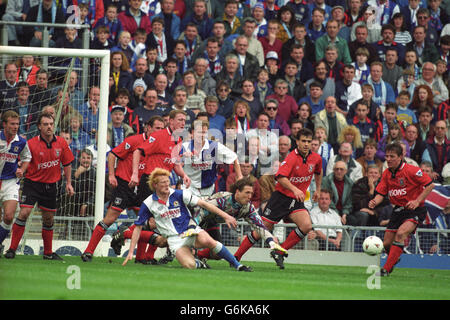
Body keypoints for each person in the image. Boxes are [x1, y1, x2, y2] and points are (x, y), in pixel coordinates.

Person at [122, 168, 253, 271]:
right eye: (163, 183)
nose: (167, 185)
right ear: (155, 185)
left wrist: (226, 216)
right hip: (173, 239)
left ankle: (238, 265)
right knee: (189, 265)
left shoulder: (179, 194)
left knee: (208, 240)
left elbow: (204, 204)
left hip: (191, 230)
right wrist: (131, 251)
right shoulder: (149, 203)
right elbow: (138, 227)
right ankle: (199, 264)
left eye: (168, 181)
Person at [233, 128, 323, 269]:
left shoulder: (316, 158)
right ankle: (236, 257)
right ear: (297, 142)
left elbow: (318, 171)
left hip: (295, 200)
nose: (306, 144)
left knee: (306, 226)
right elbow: (280, 177)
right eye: (303, 141)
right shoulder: (292, 158)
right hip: (280, 199)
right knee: (261, 231)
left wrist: (317, 189)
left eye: (309, 141)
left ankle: (279, 251)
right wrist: (295, 189)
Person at [81, 116, 165, 262]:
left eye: (162, 129)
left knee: (150, 221)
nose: (159, 131)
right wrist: (112, 175)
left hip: (143, 185)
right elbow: (113, 154)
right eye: (157, 128)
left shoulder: (158, 145)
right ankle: (88, 251)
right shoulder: (134, 140)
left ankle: (138, 254)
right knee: (110, 219)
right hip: (125, 185)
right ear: (148, 128)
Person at [4, 113, 74, 260]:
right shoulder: (30, 144)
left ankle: (48, 253)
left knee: (48, 219)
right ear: (39, 127)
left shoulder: (61, 143)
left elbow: (67, 164)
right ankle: (11, 249)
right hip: (32, 183)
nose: (49, 127)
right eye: (46, 124)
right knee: (24, 213)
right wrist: (20, 169)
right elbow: (20, 159)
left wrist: (68, 183)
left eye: (51, 124)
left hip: (51, 186)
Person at [369, 143, 434, 276]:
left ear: (400, 157)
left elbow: (429, 184)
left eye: (392, 156)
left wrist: (417, 201)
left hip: (415, 210)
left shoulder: (411, 170)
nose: (388, 159)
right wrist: (375, 200)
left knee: (400, 234)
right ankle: (394, 258)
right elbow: (381, 193)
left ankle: (385, 269)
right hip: (398, 210)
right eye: (387, 156)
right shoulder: (386, 173)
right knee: (386, 244)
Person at [194, 178, 286, 261]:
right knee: (191, 244)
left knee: (218, 253)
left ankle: (196, 255)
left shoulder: (248, 208)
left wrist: (271, 241)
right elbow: (201, 207)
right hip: (195, 217)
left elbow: (260, 226)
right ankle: (190, 253)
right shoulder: (224, 198)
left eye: (251, 193)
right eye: (247, 192)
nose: (250, 196)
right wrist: (194, 227)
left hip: (211, 222)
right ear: (237, 192)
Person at [130, 109, 191, 205]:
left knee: (161, 212)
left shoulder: (178, 139)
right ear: (171, 121)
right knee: (148, 214)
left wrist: (184, 175)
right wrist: (134, 173)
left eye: (184, 120)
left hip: (164, 180)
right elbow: (137, 151)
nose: (183, 123)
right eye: (180, 120)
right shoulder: (158, 135)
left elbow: (175, 163)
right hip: (151, 180)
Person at [180, 119, 242, 197]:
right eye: (199, 132)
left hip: (208, 190)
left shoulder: (214, 146)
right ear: (192, 132)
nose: (201, 135)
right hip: (189, 189)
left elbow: (234, 157)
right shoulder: (184, 147)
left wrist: (239, 176)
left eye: (204, 132)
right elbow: (175, 165)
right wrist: (182, 158)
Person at [0, 111, 32, 254]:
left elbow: (27, 157)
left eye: (17, 124)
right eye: (12, 124)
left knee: (8, 216)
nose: (15, 127)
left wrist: (22, 170)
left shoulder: (22, 141)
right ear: (4, 124)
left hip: (10, 181)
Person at [321, 160, 354, 225]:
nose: (339, 171)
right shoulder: (326, 181)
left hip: (344, 211)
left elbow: (349, 201)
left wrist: (344, 214)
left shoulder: (350, 183)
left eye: (341, 169)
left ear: (346, 171)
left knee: (353, 220)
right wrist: (336, 215)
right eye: (337, 169)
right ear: (333, 170)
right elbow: (327, 199)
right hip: (329, 210)